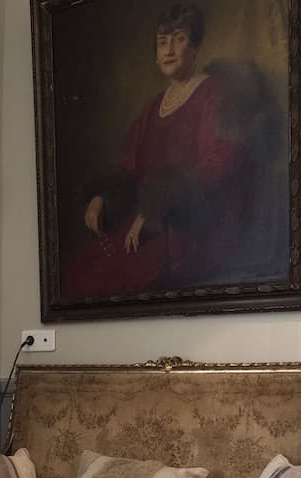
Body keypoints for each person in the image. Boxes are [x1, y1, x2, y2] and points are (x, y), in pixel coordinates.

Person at [65, 3, 258, 297]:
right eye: (162, 41)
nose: (168, 50)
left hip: (191, 226)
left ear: (194, 47)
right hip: (148, 222)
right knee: (81, 273)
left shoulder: (213, 92)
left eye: (179, 39)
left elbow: (219, 162)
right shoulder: (154, 106)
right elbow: (130, 169)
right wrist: (102, 196)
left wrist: (156, 206)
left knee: (117, 279)